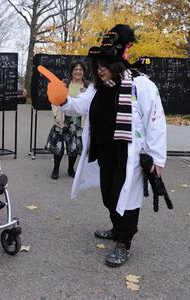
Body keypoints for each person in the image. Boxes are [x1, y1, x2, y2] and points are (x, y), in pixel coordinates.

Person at [57, 24, 167, 266]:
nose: (99, 69)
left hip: (128, 156)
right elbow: (79, 105)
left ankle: (123, 242)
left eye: (104, 65)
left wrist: (158, 158)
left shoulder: (141, 85)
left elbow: (156, 120)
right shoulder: (97, 88)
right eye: (97, 65)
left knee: (125, 197)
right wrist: (63, 100)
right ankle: (117, 229)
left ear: (117, 64)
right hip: (105, 153)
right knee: (109, 195)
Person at [45, 61, 90, 179]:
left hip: (78, 122)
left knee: (73, 147)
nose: (78, 72)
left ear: (84, 72)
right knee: (58, 146)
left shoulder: (88, 86)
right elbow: (54, 98)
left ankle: (71, 169)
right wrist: (55, 114)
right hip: (62, 119)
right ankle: (56, 169)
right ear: (71, 71)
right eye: (76, 69)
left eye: (80, 69)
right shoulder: (64, 83)